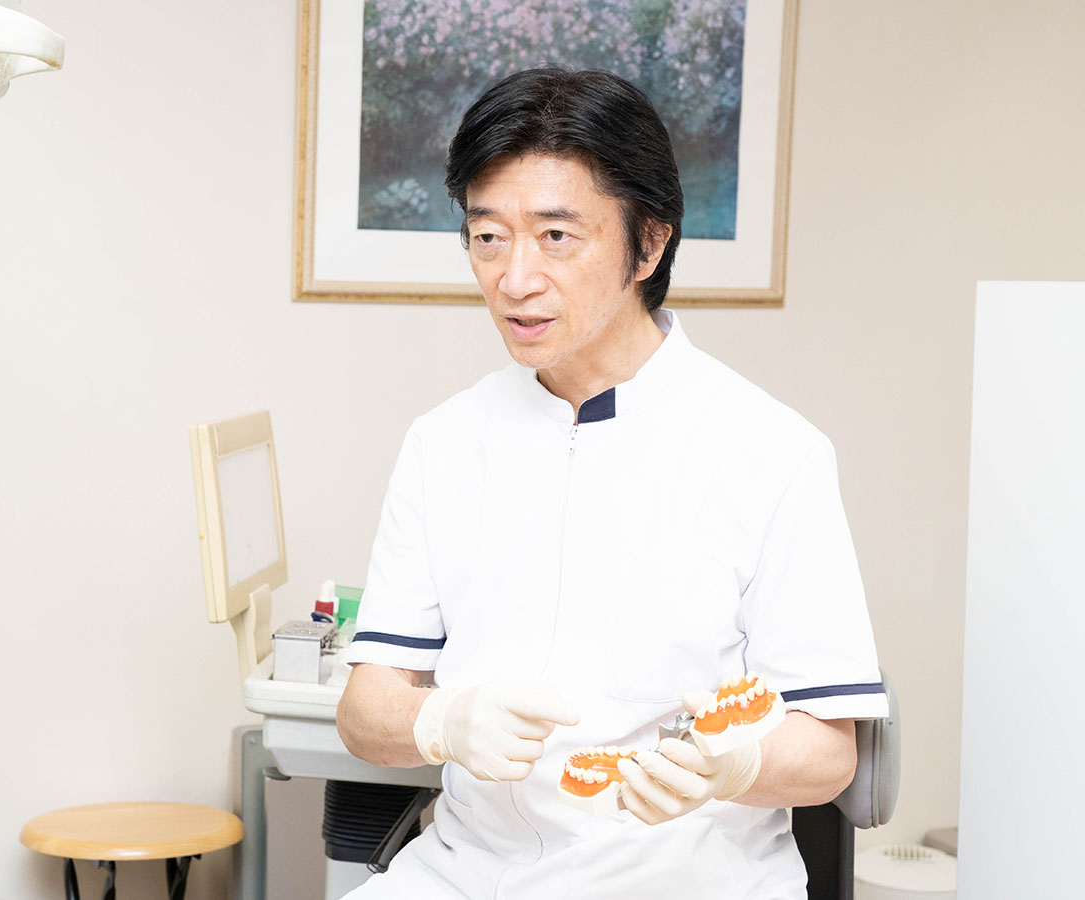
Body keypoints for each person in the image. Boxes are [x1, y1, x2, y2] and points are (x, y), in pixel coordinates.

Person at [335, 67, 886, 899]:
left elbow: (831, 752)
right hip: (464, 875)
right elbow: (365, 711)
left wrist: (734, 767)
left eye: (556, 236)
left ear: (649, 243)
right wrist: (437, 719)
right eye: (488, 236)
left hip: (683, 883)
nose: (515, 278)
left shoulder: (771, 451)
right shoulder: (443, 443)